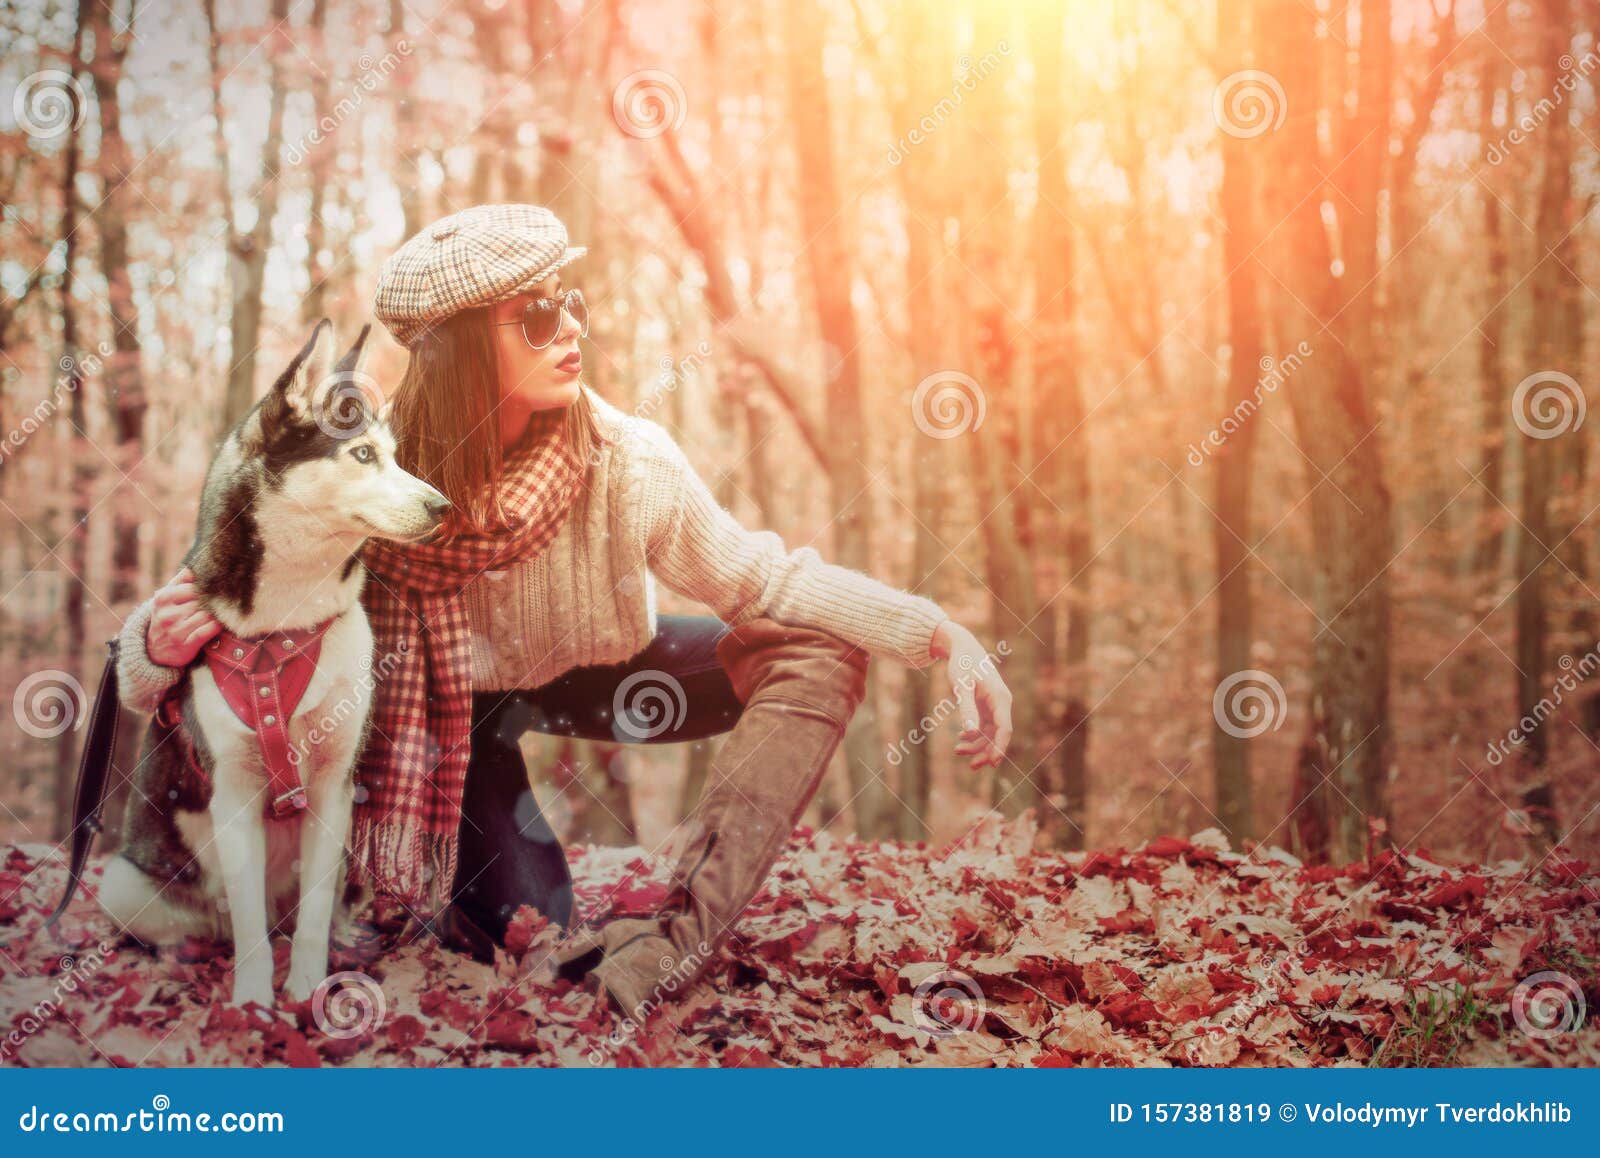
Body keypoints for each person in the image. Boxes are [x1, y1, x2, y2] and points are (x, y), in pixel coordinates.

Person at [120, 203, 1013, 1019]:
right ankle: (430, 896)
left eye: (571, 302)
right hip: (453, 711)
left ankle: (674, 938)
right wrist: (151, 652)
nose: (572, 330)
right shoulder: (367, 476)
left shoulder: (628, 460)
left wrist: (943, 635)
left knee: (815, 648)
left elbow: (762, 577)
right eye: (538, 317)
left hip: (602, 667)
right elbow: (220, 603)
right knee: (528, 932)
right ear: (461, 348)